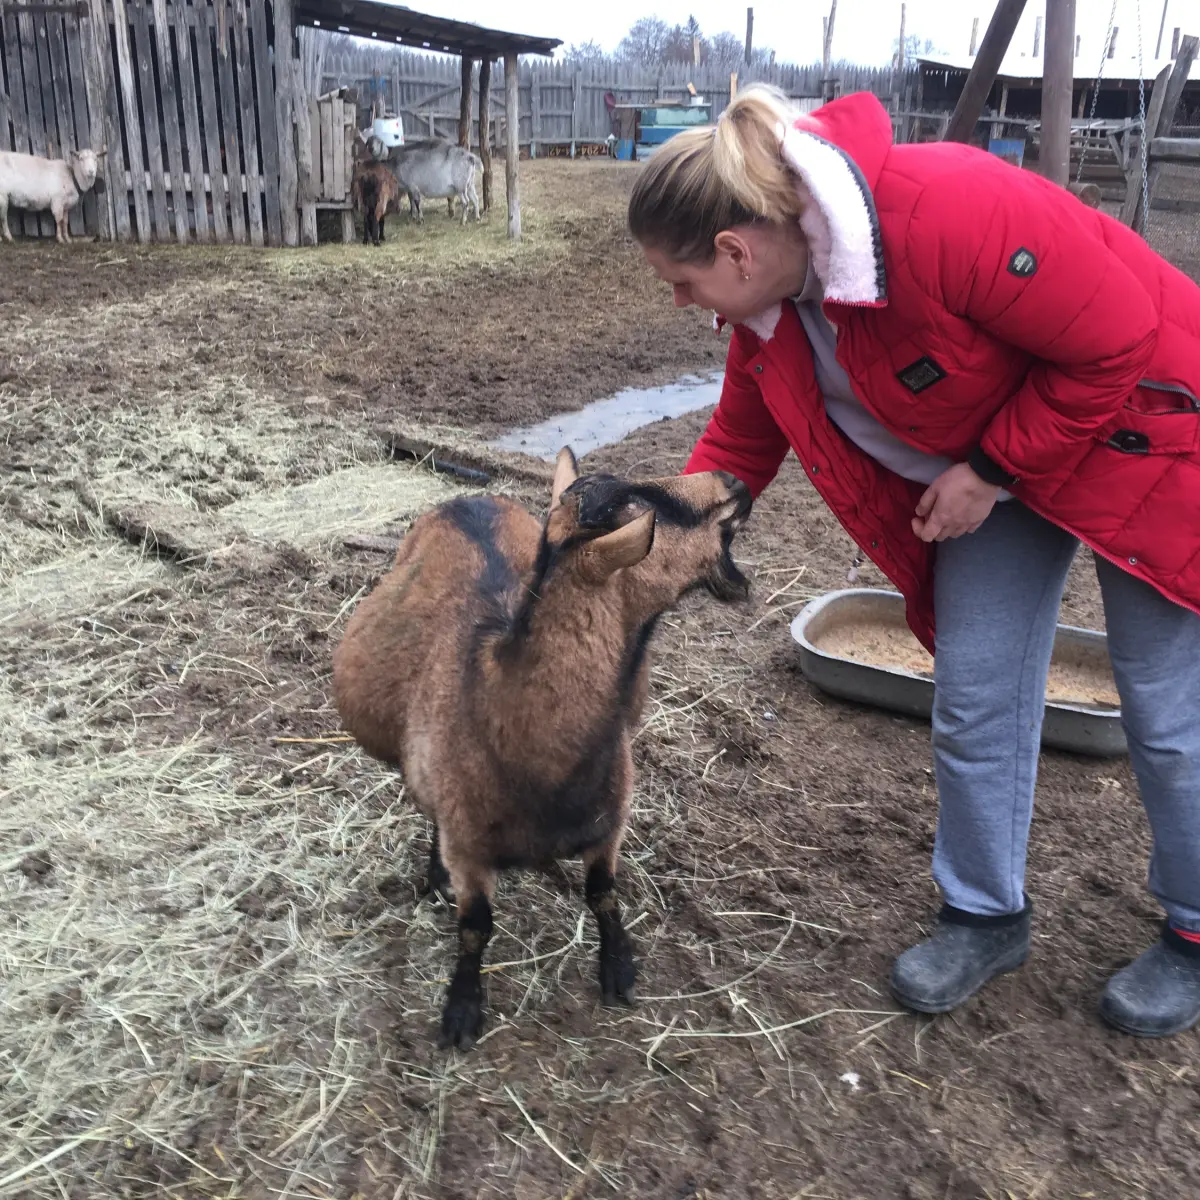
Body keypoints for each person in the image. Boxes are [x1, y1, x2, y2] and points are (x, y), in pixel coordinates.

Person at [627, 85, 1200, 1038]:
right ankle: (984, 913)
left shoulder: (947, 211)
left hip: (1148, 436)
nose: (684, 303)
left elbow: (1117, 342)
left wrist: (987, 470)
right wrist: (661, 539)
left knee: (1165, 705)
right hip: (1001, 466)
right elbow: (739, 437)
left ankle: (1194, 929)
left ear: (735, 250)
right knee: (974, 689)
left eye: (680, 282)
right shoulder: (771, 311)